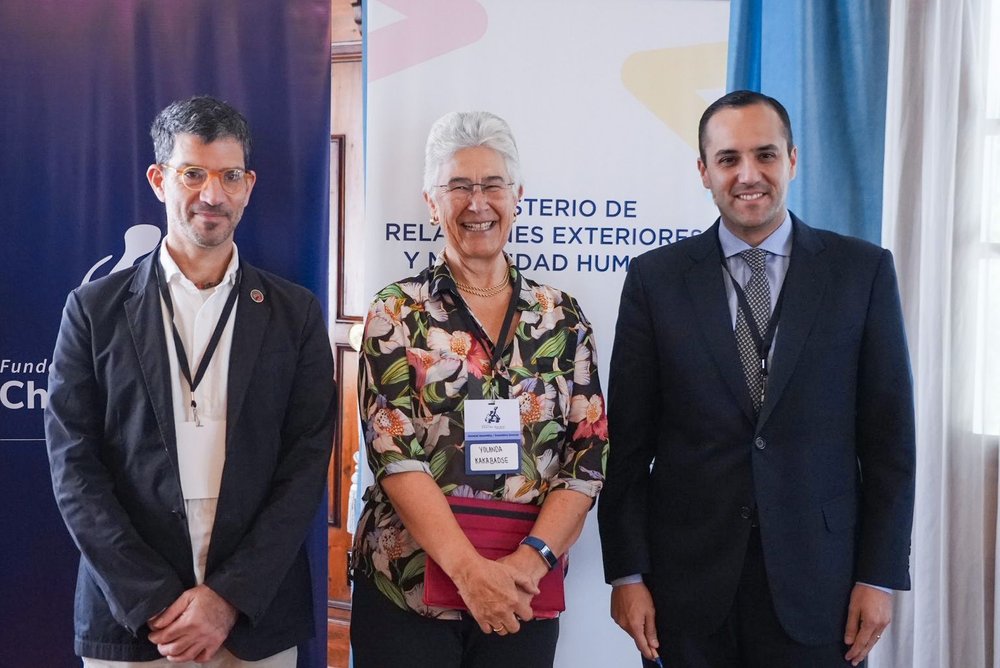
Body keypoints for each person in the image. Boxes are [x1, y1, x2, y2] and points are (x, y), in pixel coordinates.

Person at [598, 90, 916, 668]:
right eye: (728, 159)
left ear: (793, 159)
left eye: (765, 155)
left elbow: (890, 443)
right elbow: (626, 448)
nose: (749, 175)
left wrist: (880, 575)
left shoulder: (861, 272)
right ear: (703, 171)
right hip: (684, 593)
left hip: (824, 591)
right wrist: (626, 573)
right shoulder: (655, 281)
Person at [45, 95, 336, 667]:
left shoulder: (294, 313)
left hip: (254, 617)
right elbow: (73, 466)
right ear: (159, 180)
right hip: (131, 620)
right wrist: (153, 601)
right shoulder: (93, 309)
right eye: (193, 174)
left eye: (230, 176)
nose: (213, 195)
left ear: (249, 185)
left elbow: (305, 465)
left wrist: (229, 598)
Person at [349, 111, 608, 667]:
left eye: (492, 185)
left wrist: (530, 563)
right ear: (430, 200)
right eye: (458, 187)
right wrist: (470, 574)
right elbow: (393, 455)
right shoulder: (396, 312)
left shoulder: (561, 317)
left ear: (517, 196)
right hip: (408, 591)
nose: (477, 203)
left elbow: (587, 457)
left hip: (523, 592)